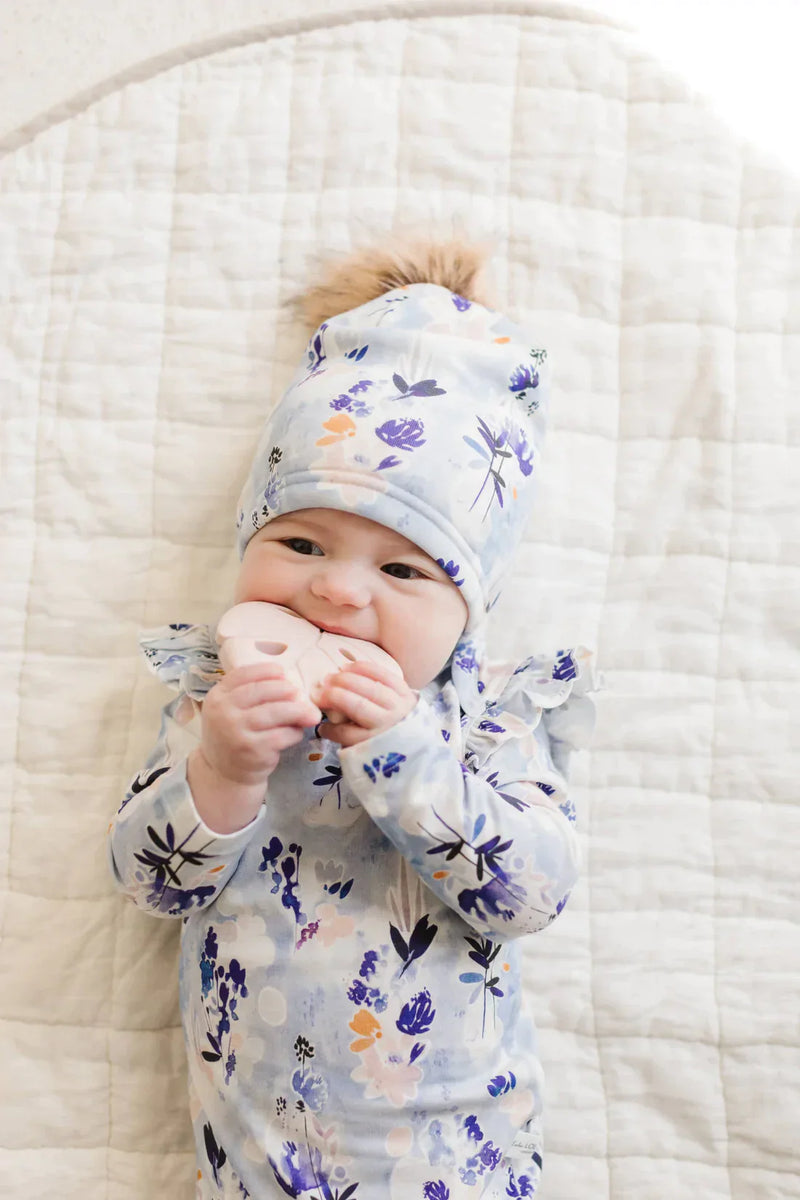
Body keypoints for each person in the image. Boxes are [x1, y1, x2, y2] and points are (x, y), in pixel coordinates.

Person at [107, 237, 599, 1199]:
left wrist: (402, 751)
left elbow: (531, 895)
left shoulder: (486, 715)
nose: (336, 590)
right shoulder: (218, 701)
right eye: (299, 541)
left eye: (402, 570)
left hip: (458, 1158)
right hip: (257, 1162)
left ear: (467, 614)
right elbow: (148, 886)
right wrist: (225, 772)